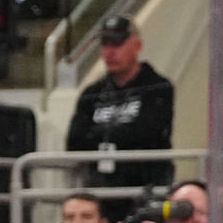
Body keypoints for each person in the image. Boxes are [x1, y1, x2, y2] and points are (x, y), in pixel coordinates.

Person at [66, 13, 174, 207]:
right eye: (105, 44)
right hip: (100, 195)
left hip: (145, 192)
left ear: (137, 46)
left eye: (117, 43)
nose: (109, 51)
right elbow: (74, 142)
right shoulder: (92, 93)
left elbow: (147, 136)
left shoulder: (159, 88)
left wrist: (100, 136)